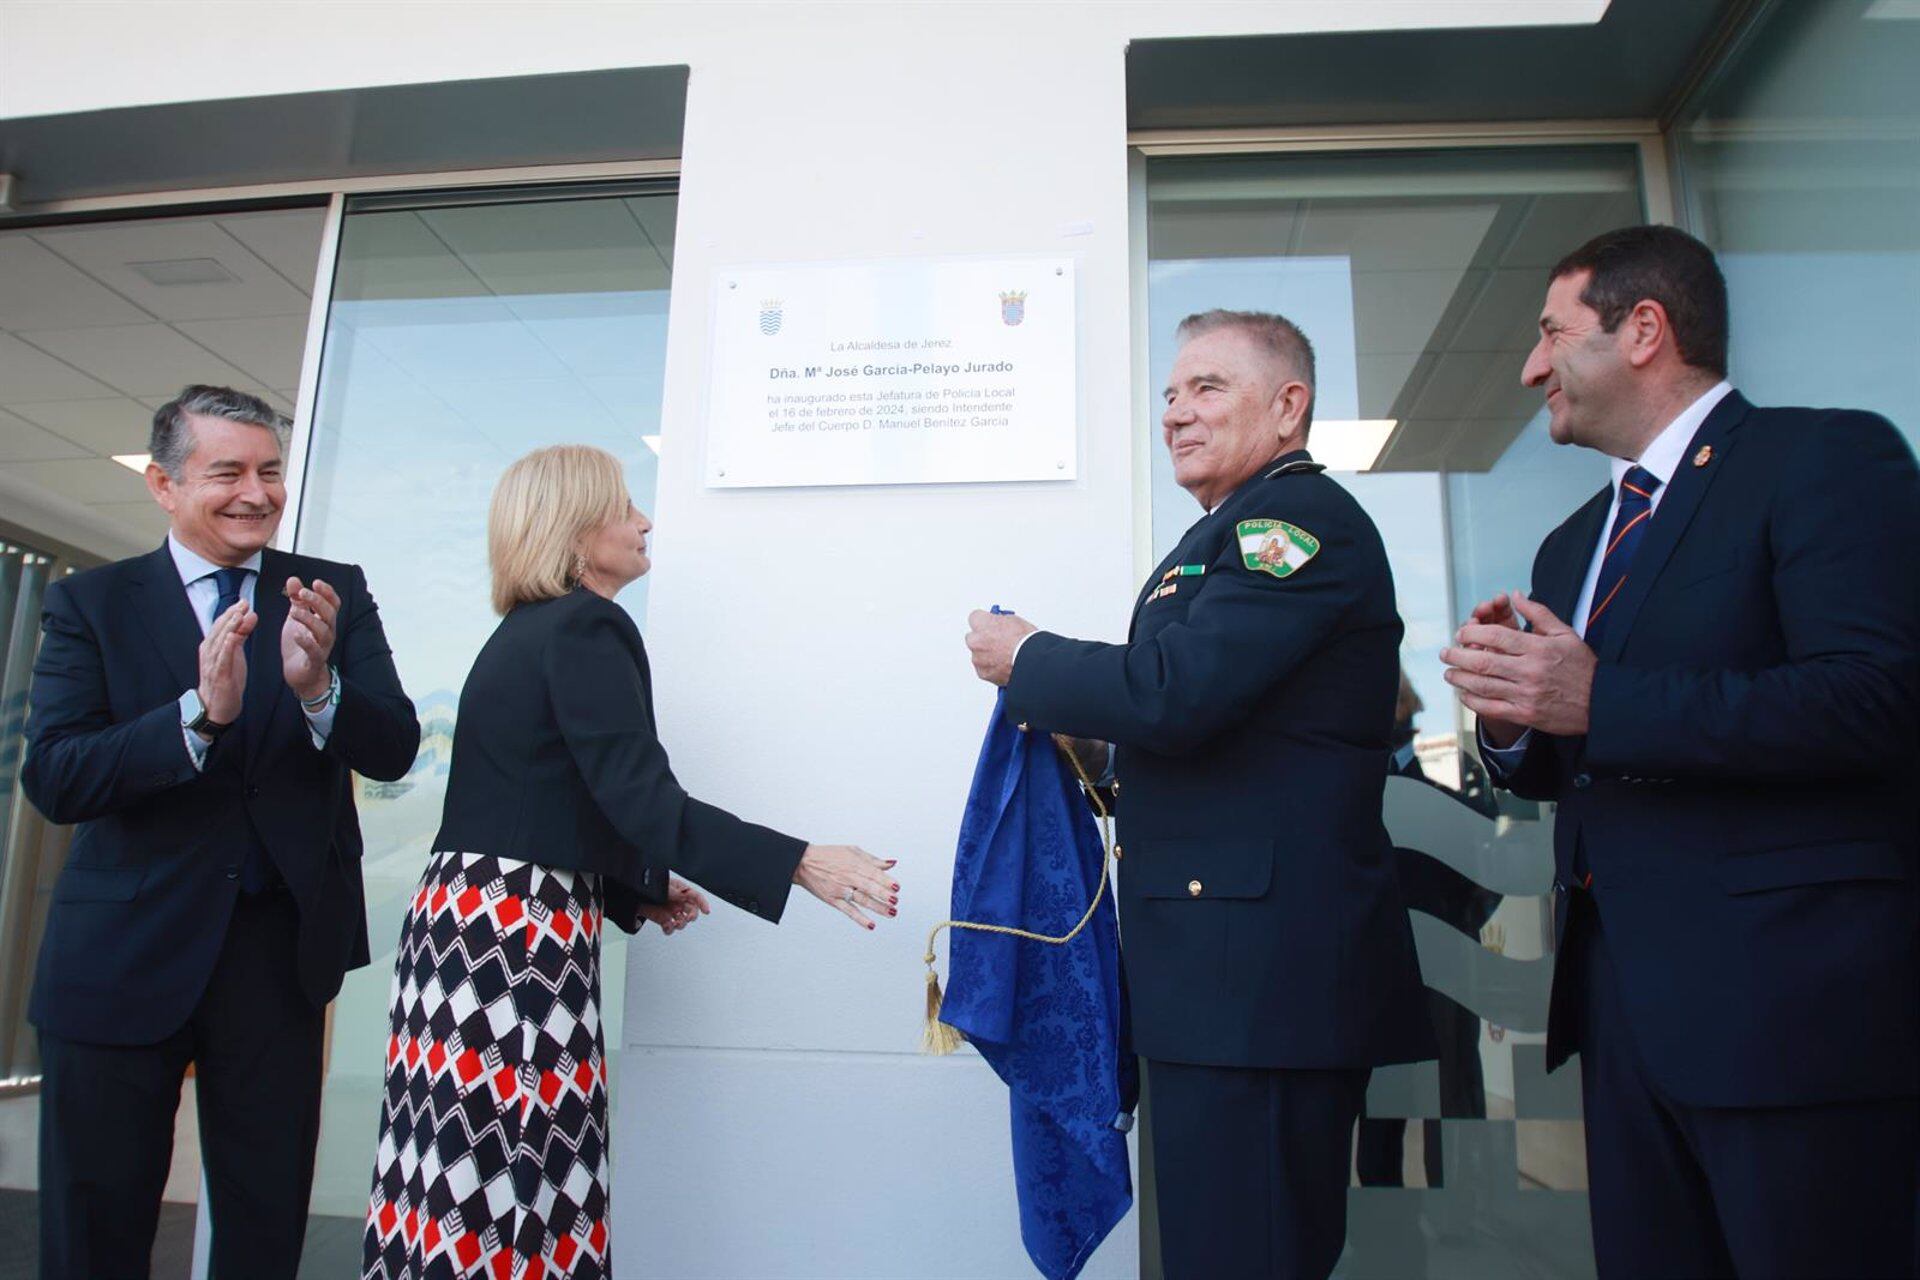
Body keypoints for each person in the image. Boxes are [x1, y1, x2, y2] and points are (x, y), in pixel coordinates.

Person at [1440, 224, 1920, 1277]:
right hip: (1625, 1022)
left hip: (1794, 1016)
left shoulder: (1824, 458)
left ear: (1644, 330)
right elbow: (1575, 751)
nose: (1529, 368)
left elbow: (1874, 700)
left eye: (1552, 333)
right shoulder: (1573, 542)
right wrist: (1514, 721)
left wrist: (1600, 696)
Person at [966, 310, 1433, 1280]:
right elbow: (1206, 735)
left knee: (1245, 1253)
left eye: (1208, 387)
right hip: (1217, 984)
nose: (1177, 412)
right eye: (1171, 394)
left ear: (1288, 406)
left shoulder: (1296, 523)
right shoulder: (1212, 539)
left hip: (1260, 988)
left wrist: (1031, 658)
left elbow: (1181, 693)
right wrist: (1090, 744)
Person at [362, 445, 898, 1280]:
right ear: (577, 534)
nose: (644, 521)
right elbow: (642, 798)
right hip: (514, 946)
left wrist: (629, 891)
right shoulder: (586, 624)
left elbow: (538, 797)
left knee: (455, 1183)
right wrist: (800, 862)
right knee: (519, 1188)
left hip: (462, 935)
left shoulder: (519, 635)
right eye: (623, 508)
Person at [22, 385, 420, 1278]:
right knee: (95, 1227)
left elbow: (393, 748)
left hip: (277, 963)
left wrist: (320, 689)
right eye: (227, 472)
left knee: (263, 1223)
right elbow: (56, 777)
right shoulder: (91, 604)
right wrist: (196, 719)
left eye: (270, 471)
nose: (255, 492)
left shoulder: (330, 593)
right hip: (118, 961)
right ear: (164, 485)